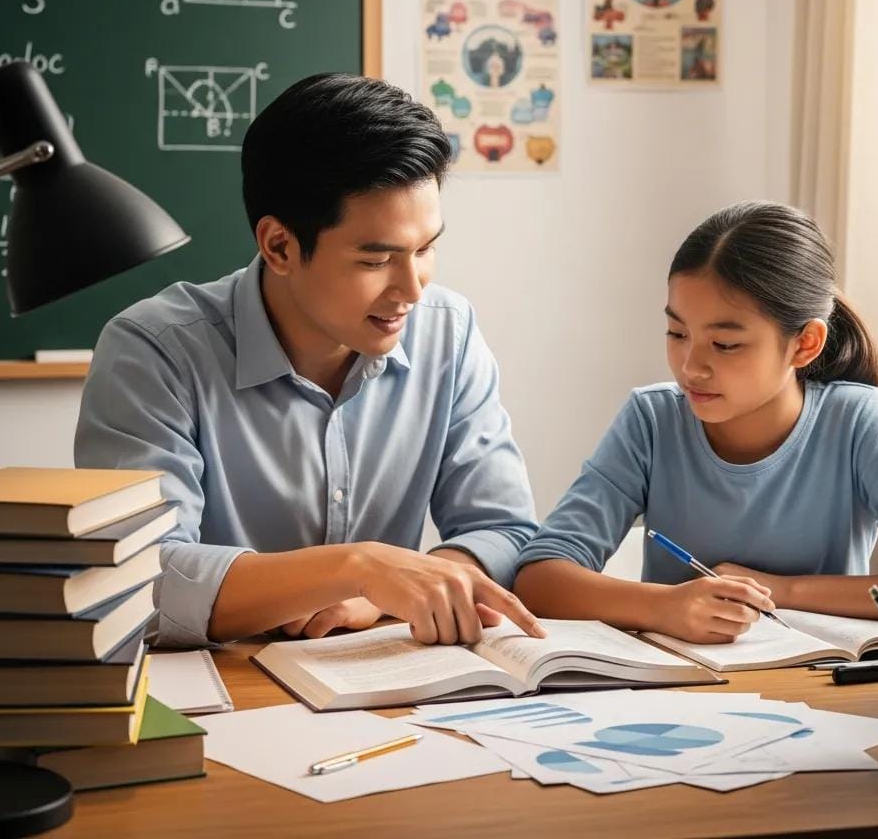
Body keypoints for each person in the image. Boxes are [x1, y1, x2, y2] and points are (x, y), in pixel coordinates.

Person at [76, 73, 543, 648]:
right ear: (279, 246)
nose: (413, 290)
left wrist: (400, 587)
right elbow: (139, 578)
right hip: (224, 703)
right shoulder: (154, 351)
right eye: (376, 261)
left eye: (426, 250)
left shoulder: (449, 332)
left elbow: (504, 530)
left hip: (389, 690)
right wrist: (356, 569)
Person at [514, 201, 878, 643]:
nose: (690, 366)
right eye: (677, 332)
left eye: (725, 344)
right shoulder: (652, 419)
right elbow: (539, 578)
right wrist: (665, 606)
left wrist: (782, 590)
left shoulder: (858, 420)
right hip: (681, 687)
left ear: (805, 343)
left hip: (821, 688)